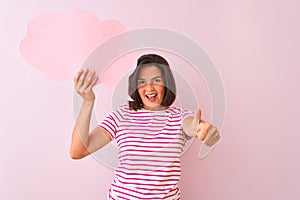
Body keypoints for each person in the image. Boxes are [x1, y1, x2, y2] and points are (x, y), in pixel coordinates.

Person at [70, 54, 220, 199]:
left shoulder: (179, 117)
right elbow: (78, 151)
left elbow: (191, 125)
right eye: (142, 82)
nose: (149, 88)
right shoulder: (121, 116)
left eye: (156, 80)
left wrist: (201, 129)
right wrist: (88, 101)